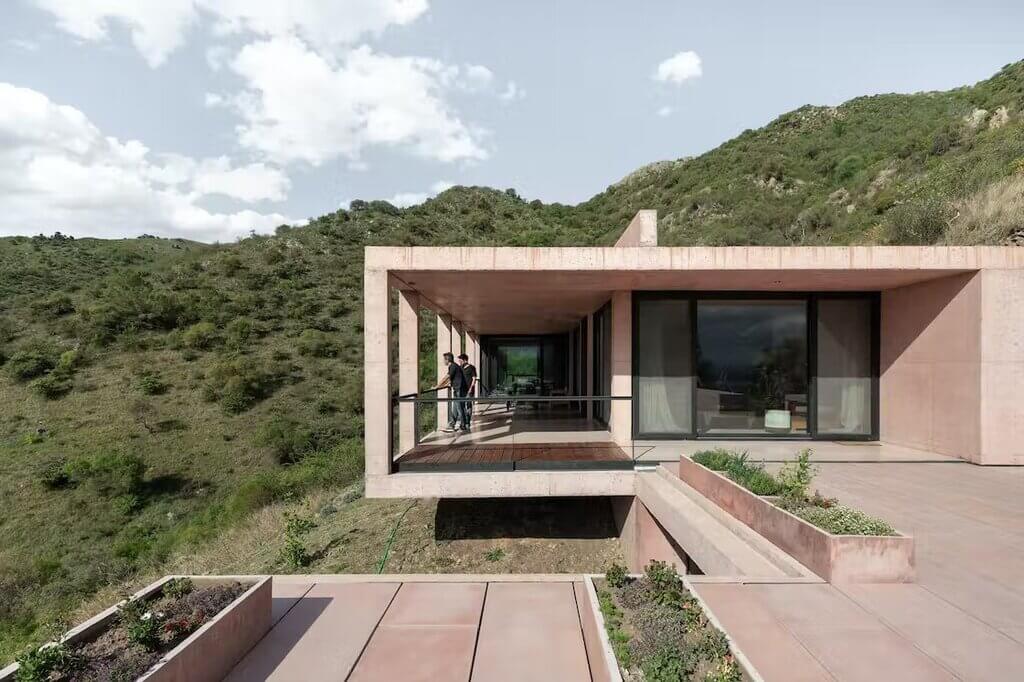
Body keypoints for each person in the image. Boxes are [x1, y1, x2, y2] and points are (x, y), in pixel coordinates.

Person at [435, 352, 467, 432]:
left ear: (447, 359)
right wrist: (441, 386)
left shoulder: (453, 366)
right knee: (455, 408)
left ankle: (463, 426)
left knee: (460, 408)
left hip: (459, 389)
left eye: (444, 360)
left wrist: (437, 386)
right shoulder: (454, 366)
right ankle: (452, 424)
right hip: (457, 389)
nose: (443, 361)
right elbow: (449, 380)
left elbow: (447, 377)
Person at [457, 353, 477, 428]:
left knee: (468, 405)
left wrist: (471, 388)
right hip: (462, 389)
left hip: (469, 389)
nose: (459, 362)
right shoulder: (460, 368)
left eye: (460, 360)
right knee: (462, 406)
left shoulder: (472, 368)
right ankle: (463, 421)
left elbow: (474, 379)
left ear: (465, 360)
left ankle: (468, 421)